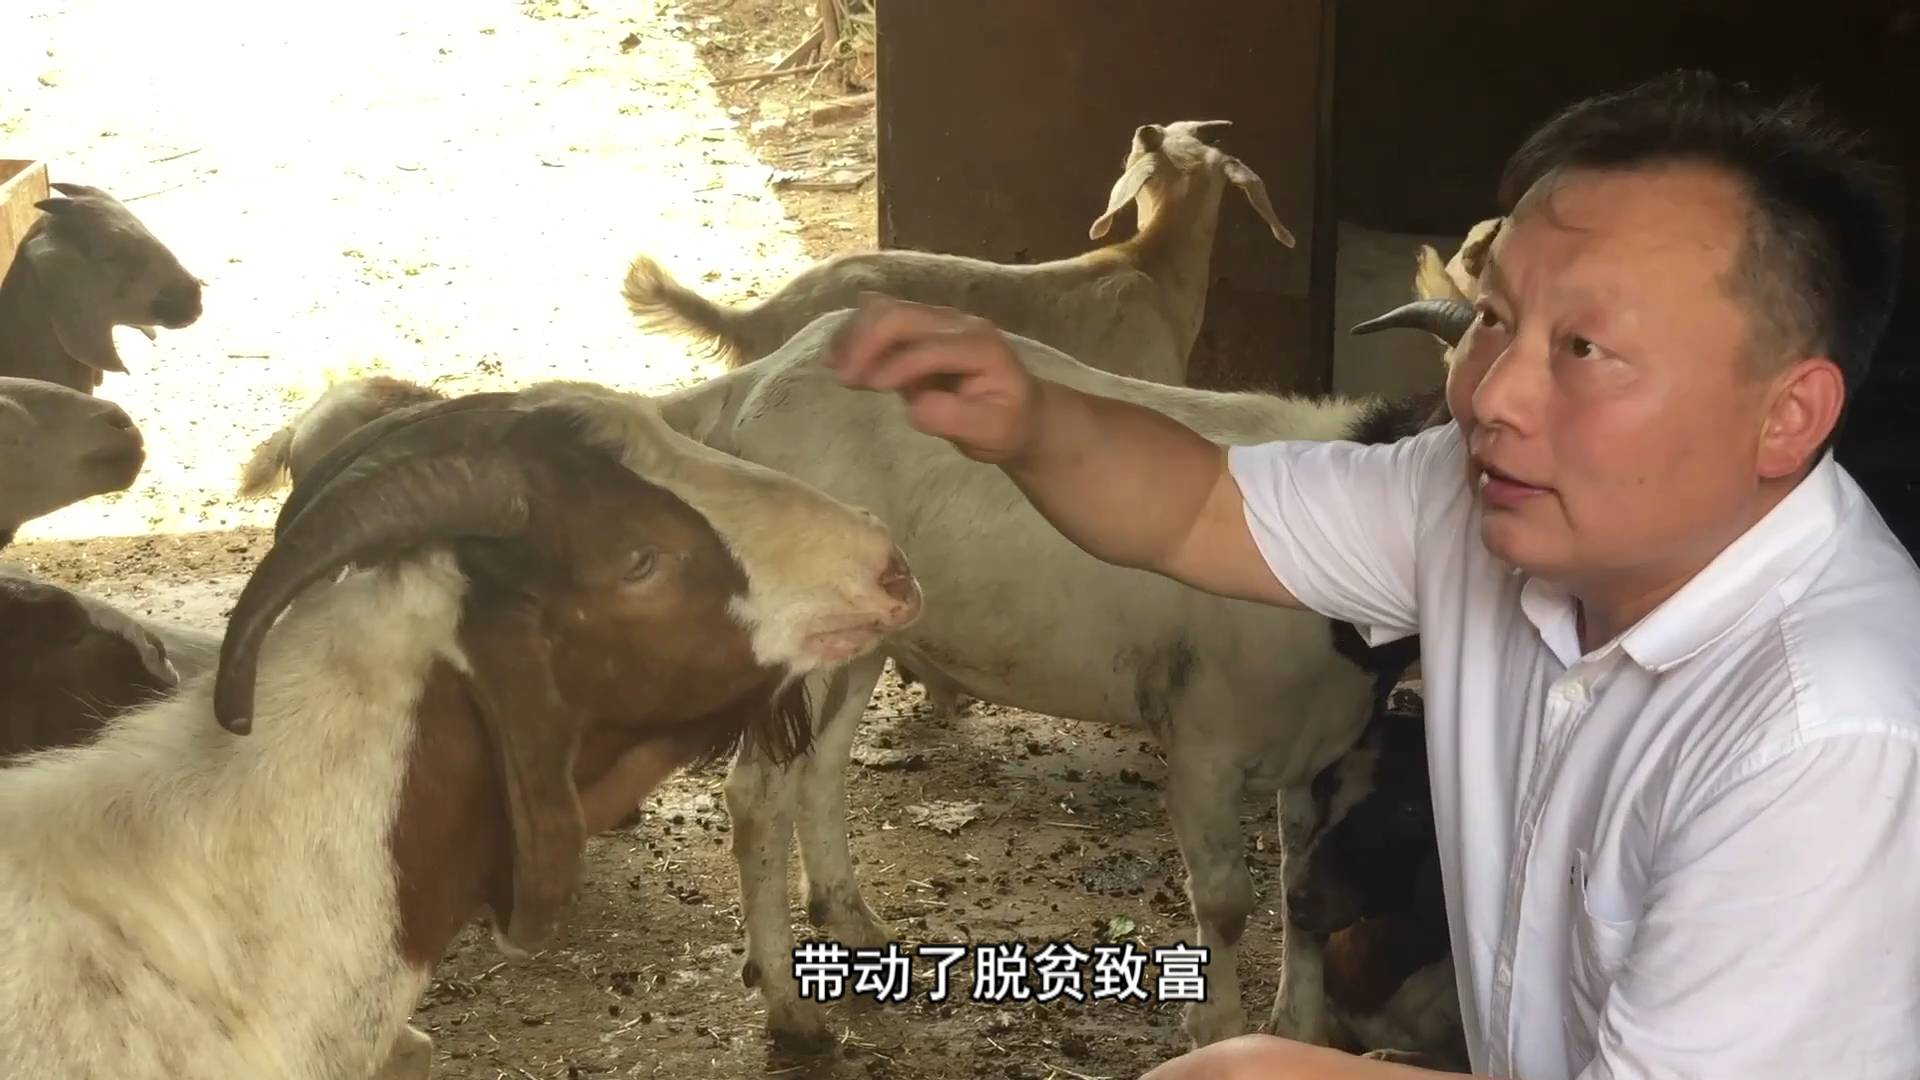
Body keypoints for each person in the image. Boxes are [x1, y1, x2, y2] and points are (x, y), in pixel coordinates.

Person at [824, 69, 1919, 1079]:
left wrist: (1270, 1071)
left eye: (1583, 349)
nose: (1490, 395)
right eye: (1493, 318)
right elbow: (1204, 507)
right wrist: (1028, 414)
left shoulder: (1826, 741)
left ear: (1787, 415)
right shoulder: (1487, 501)